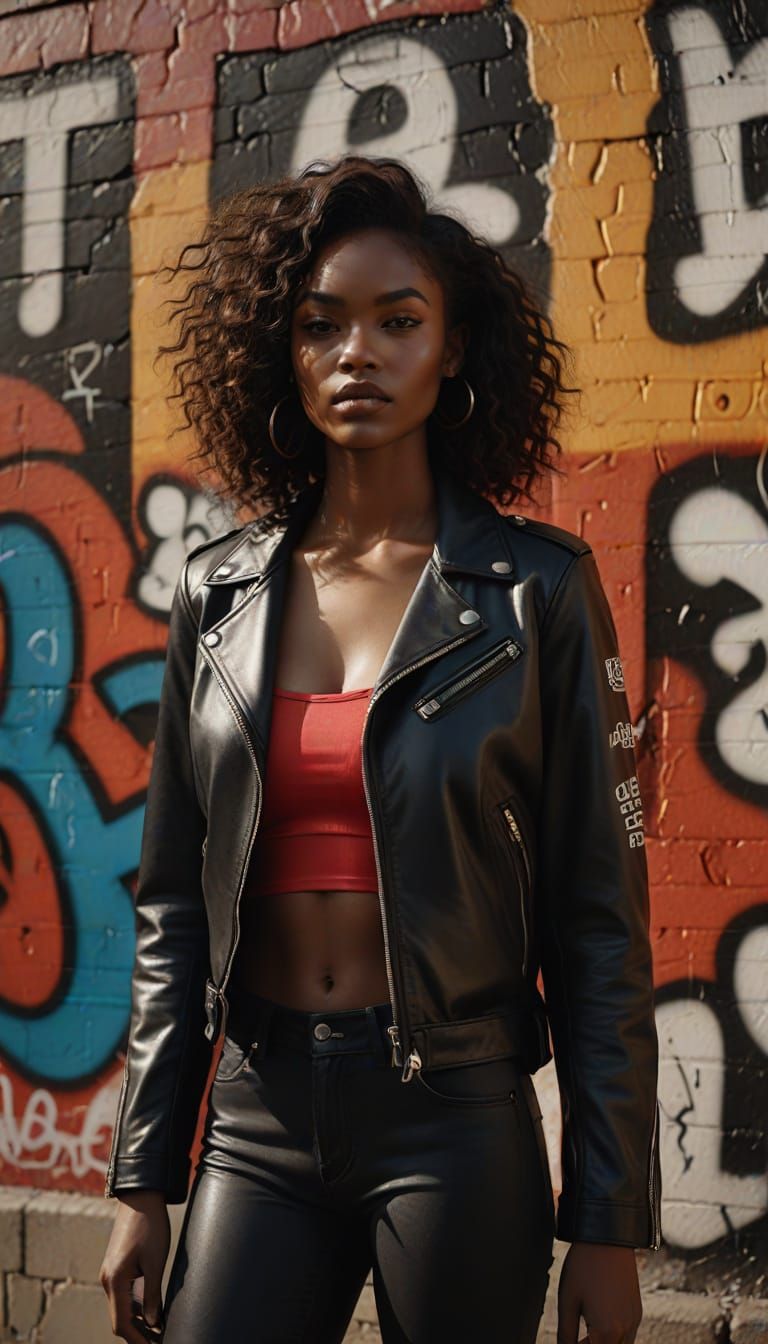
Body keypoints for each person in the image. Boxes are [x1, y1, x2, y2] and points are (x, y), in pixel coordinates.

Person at [99, 154, 661, 1344]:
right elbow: (172, 911)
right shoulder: (223, 593)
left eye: (399, 322)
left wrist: (608, 1222)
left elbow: (601, 926)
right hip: (255, 1115)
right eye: (322, 325)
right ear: (284, 353)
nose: (358, 352)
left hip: (454, 1116)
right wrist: (142, 1178)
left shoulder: (536, 595)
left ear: (453, 351)